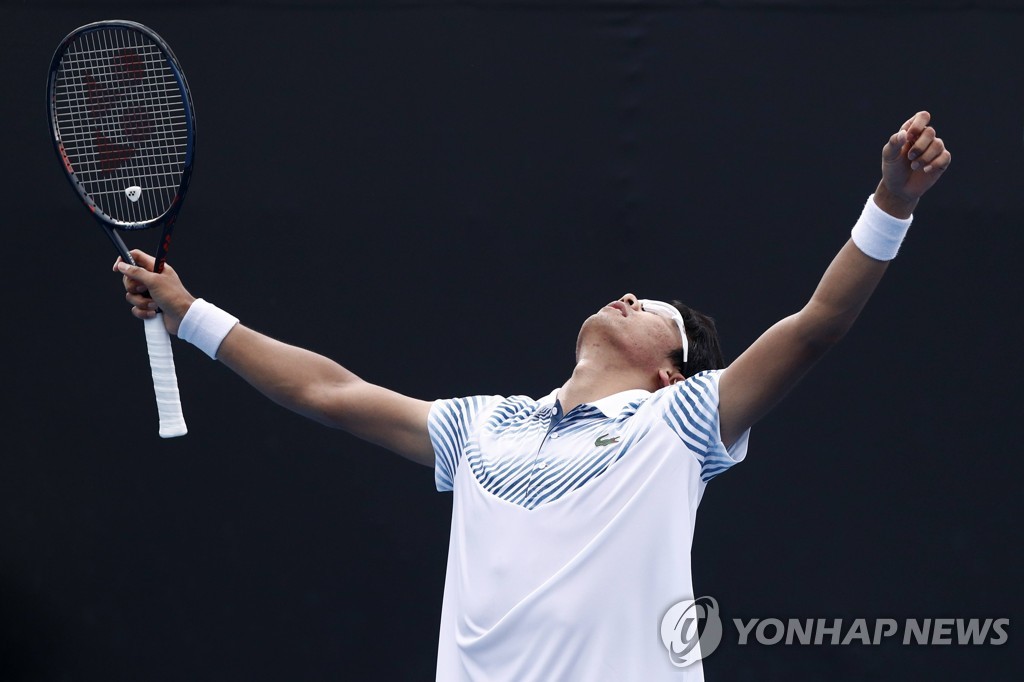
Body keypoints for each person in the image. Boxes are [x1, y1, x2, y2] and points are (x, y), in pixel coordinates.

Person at [116, 111, 950, 680]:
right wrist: (190, 315)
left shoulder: (682, 419)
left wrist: (893, 202)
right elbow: (328, 391)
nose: (630, 296)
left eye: (653, 311)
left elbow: (815, 326)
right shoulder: (483, 426)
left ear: (675, 370)